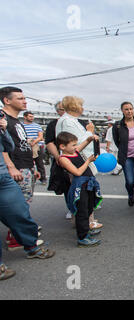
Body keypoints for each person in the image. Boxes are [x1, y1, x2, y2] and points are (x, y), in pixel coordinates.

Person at [0, 104, 55, 281]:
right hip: (8, 172)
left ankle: (32, 247)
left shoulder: (8, 123)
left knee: (19, 211)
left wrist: (2, 130)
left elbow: (8, 147)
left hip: (3, 177)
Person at [0, 86, 44, 251]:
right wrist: (10, 167)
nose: (24, 101)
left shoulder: (16, 120)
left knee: (24, 202)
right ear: (7, 100)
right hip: (15, 168)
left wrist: (33, 167)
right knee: (18, 205)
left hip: (25, 165)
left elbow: (21, 145)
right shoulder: (3, 118)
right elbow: (2, 147)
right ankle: (16, 238)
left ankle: (20, 234)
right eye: (20, 98)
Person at [55, 96, 102, 229]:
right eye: (81, 105)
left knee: (83, 192)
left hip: (77, 159)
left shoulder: (67, 120)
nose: (83, 108)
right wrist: (89, 132)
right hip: (77, 161)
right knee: (84, 192)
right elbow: (74, 144)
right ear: (74, 106)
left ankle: (84, 220)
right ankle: (87, 222)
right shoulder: (68, 121)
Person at [57, 132, 103, 247]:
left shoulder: (74, 151)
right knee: (81, 211)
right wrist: (88, 161)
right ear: (62, 146)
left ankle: (87, 230)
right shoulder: (63, 158)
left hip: (89, 184)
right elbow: (77, 172)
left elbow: (85, 142)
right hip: (79, 186)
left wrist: (91, 138)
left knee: (89, 208)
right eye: (73, 145)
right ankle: (82, 237)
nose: (75, 147)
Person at [112, 102, 134, 213]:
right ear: (122, 111)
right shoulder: (118, 125)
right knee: (130, 181)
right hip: (127, 157)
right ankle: (131, 194)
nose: (129, 111)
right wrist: (125, 150)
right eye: (126, 109)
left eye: (131, 109)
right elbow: (117, 141)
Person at [46, 101, 73, 220]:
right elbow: (49, 142)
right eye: (62, 109)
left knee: (84, 185)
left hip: (80, 159)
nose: (66, 112)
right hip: (64, 160)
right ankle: (71, 208)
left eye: (67, 109)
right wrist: (58, 157)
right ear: (58, 111)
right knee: (68, 185)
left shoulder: (78, 122)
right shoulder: (53, 124)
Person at [22, 111, 46, 185]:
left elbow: (40, 136)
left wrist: (34, 142)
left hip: (38, 146)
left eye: (32, 116)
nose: (32, 118)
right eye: (30, 116)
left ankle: (43, 179)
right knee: (28, 163)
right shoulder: (21, 125)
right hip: (26, 146)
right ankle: (31, 178)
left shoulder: (37, 126)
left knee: (40, 163)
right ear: (25, 117)